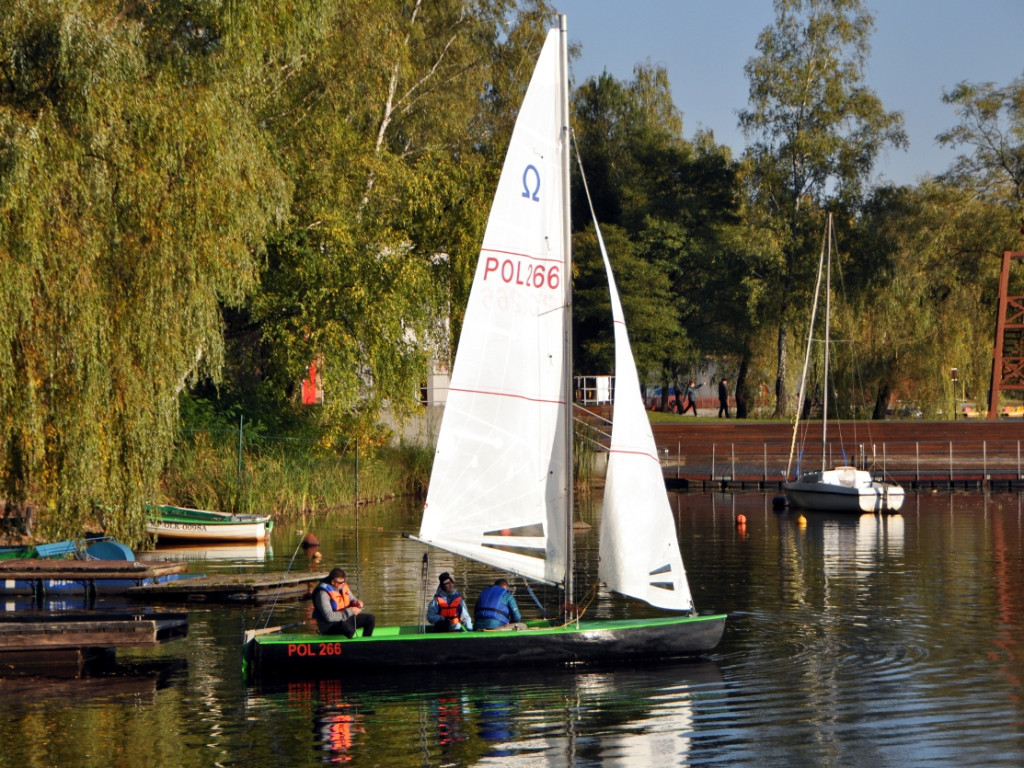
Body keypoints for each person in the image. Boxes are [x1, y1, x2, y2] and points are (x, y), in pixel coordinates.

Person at [312, 568, 375, 638]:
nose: (343, 584)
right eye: (341, 582)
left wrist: (357, 603)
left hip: (344, 619)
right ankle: (350, 646)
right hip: (329, 626)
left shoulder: (343, 586)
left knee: (370, 619)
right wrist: (351, 611)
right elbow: (329, 616)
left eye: (344, 581)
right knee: (349, 629)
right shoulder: (322, 594)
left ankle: (366, 642)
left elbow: (352, 599)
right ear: (333, 582)